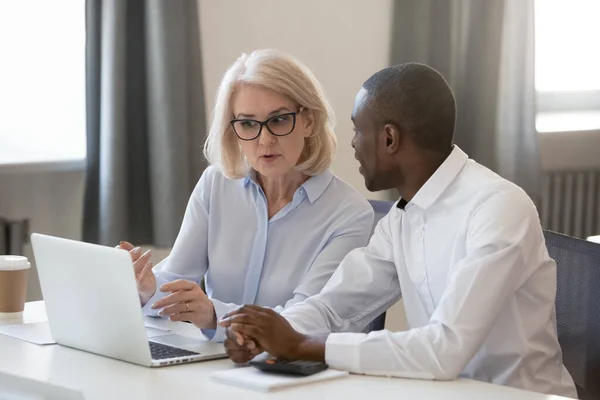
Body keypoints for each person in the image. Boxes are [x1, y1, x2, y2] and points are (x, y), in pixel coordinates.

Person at [219, 63, 577, 397]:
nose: (354, 144)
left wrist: (299, 345)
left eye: (359, 130)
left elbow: (443, 349)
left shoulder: (497, 207)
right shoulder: (402, 216)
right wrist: (266, 333)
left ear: (389, 139)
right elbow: (334, 307)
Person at [119, 49, 374, 342]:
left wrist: (214, 315)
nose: (265, 140)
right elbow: (177, 279)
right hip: (213, 363)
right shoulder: (216, 185)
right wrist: (147, 287)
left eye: (278, 120)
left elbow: (306, 320)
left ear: (309, 121)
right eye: (248, 124)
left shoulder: (350, 214)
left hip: (289, 373)